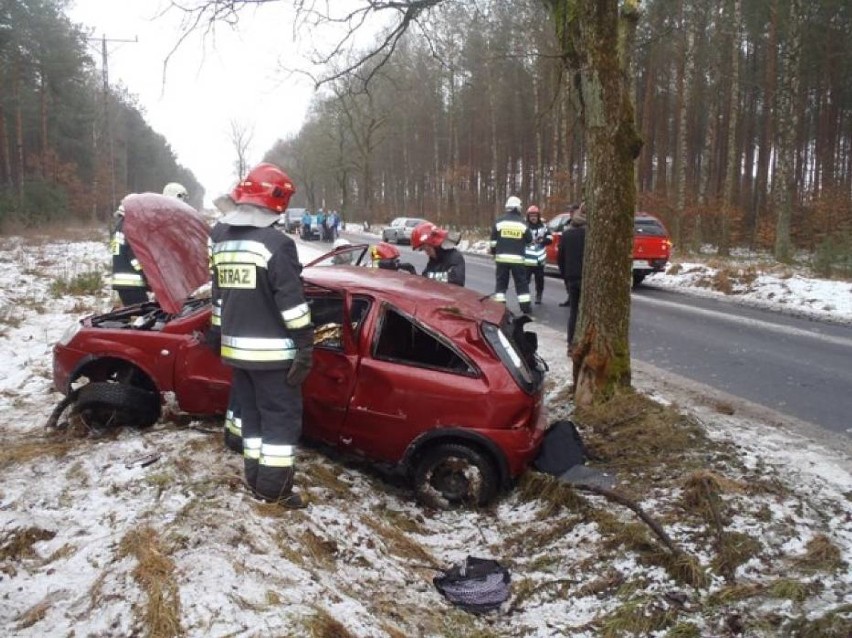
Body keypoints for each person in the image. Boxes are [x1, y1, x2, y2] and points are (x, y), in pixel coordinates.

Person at [209, 163, 313, 508]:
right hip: (274, 357)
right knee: (279, 427)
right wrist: (305, 346)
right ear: (276, 200)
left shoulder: (220, 239)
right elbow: (292, 306)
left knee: (252, 420)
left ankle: (255, 479)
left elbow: (219, 296)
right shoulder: (277, 244)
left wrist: (216, 332)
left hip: (237, 351)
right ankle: (275, 490)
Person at [110, 181, 189, 306]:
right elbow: (135, 255)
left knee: (138, 314)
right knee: (143, 317)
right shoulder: (129, 227)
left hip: (123, 281)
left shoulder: (119, 227)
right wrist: (149, 275)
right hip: (133, 283)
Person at [490, 196, 533, 314]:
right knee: (521, 284)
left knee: (501, 283)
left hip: (501, 259)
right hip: (518, 260)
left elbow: (493, 242)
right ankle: (525, 307)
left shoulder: (499, 221)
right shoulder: (522, 223)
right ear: (518, 207)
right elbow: (529, 240)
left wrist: (494, 253)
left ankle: (500, 306)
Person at [559, 202, 587, 353]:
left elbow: (560, 258)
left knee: (574, 312)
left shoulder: (567, 234)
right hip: (586, 279)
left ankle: (571, 344)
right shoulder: (591, 234)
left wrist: (566, 276)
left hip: (571, 278)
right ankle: (585, 344)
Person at [411, 221, 465, 286]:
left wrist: (428, 276)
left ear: (434, 244)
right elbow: (425, 279)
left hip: (450, 295)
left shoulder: (455, 257)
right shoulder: (434, 259)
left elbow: (456, 279)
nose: (427, 253)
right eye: (423, 250)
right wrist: (413, 274)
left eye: (427, 249)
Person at [523, 205, 552, 304]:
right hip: (527, 260)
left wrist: (543, 240)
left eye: (535, 215)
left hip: (540, 260)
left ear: (538, 216)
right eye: (531, 215)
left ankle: (539, 295)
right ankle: (525, 297)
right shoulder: (524, 227)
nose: (533, 217)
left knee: (539, 280)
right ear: (528, 216)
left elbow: (550, 239)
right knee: (525, 281)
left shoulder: (544, 227)